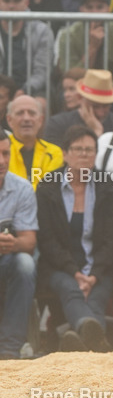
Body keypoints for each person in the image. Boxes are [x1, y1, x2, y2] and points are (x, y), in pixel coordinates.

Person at [36, 125, 113, 352]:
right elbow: (46, 240)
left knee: (97, 295)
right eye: (77, 149)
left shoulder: (106, 185)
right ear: (65, 154)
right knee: (70, 289)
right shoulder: (48, 186)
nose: (84, 154)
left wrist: (93, 275)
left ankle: (79, 343)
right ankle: (96, 348)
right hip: (59, 267)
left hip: (102, 267)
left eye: (89, 149)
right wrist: (74, 272)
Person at [55, 0, 113, 95]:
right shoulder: (68, 35)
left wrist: (98, 91)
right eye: (89, 7)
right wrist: (92, 47)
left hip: (111, 93)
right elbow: (68, 75)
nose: (94, 13)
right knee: (62, 95)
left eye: (99, 7)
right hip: (76, 92)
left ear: (108, 9)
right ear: (81, 9)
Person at [0, 134, 36, 359]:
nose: (2, 161)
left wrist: (13, 243)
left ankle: (9, 349)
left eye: (5, 153)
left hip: (6, 257)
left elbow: (29, 242)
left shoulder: (22, 187)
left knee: (26, 263)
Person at [42, 68, 113, 143]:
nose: (101, 112)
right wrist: (96, 133)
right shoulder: (58, 124)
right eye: (95, 106)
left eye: (105, 106)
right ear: (80, 98)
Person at [0, 0, 51, 97]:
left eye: (16, 0)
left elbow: (42, 71)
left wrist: (24, 91)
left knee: (40, 104)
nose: (11, 6)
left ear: (26, 3)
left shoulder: (41, 31)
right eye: (7, 1)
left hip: (32, 89)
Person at [7, 93, 61, 189]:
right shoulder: (2, 150)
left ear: (40, 120)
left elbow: (50, 189)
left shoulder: (54, 153)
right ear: (9, 120)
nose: (26, 118)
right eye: (20, 113)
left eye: (32, 113)